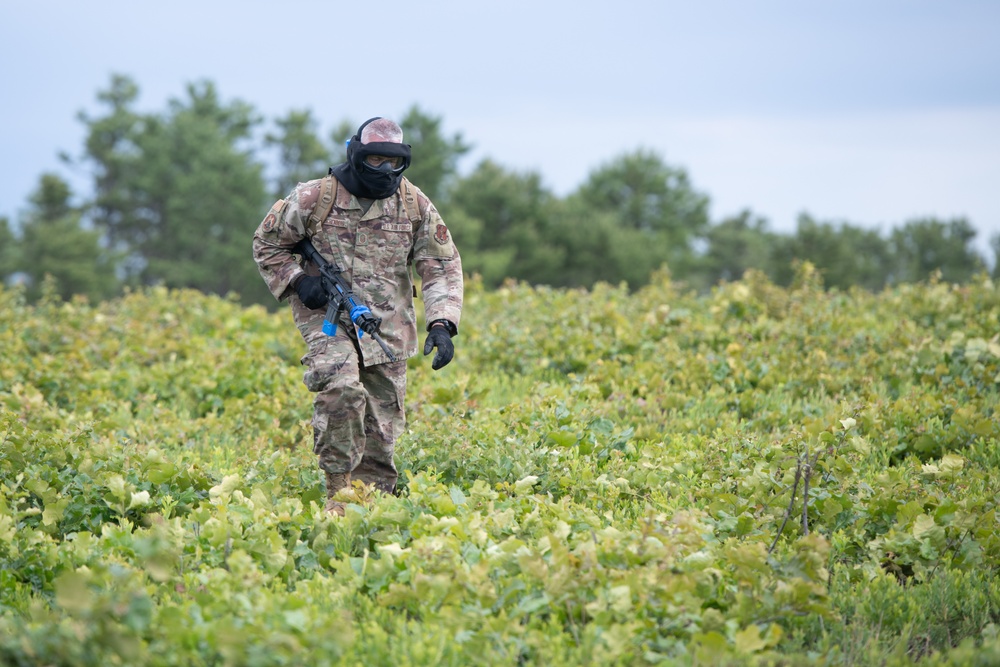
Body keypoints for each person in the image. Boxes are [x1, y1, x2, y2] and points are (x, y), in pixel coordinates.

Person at [252, 117, 463, 515]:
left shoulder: (414, 203)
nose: (384, 171)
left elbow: (441, 265)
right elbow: (267, 244)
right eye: (375, 161)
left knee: (382, 428)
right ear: (356, 154)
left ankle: (372, 512)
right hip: (326, 317)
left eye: (393, 163)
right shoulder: (315, 197)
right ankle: (337, 491)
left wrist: (442, 322)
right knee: (342, 387)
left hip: (387, 324)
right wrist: (299, 281)